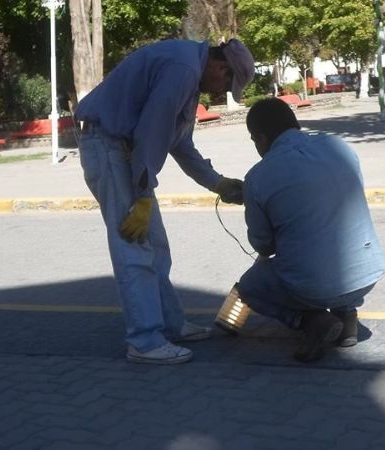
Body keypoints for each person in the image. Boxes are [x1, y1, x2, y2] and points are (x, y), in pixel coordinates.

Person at [75, 39, 255, 365]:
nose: (220, 94)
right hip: (109, 147)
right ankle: (144, 342)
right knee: (135, 248)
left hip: (122, 151)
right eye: (227, 84)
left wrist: (218, 183)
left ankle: (170, 325)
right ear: (220, 67)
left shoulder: (188, 72)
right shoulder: (183, 69)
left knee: (156, 247)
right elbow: (152, 133)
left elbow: (180, 144)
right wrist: (143, 196)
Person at [237, 98, 385, 362]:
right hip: (368, 273)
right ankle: (346, 313)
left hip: (313, 286)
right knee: (328, 239)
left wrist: (256, 202)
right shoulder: (337, 146)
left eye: (253, 140)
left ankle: (311, 320)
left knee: (249, 287)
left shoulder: (258, 177)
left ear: (260, 137)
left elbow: (264, 246)